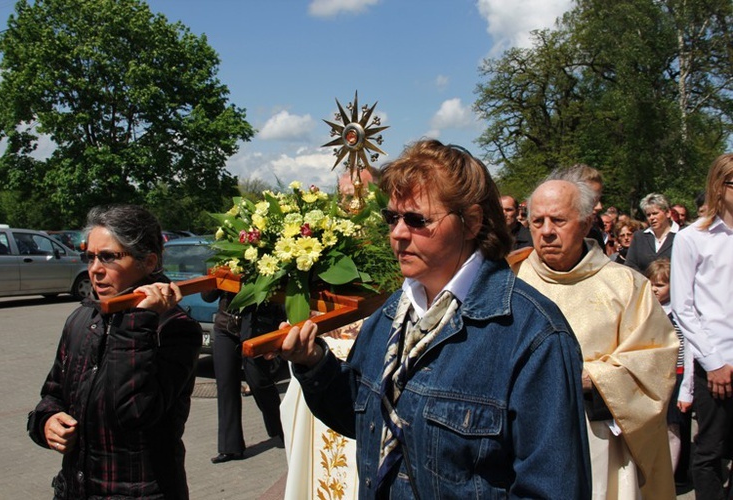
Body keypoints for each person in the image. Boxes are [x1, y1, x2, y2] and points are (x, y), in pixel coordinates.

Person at [273, 140, 591, 498]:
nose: (397, 233)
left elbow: (553, 488)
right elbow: (363, 420)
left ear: (471, 222)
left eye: (417, 220)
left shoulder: (532, 334)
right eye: (392, 217)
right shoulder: (391, 314)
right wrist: (314, 362)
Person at [513, 178, 679, 499]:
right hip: (522, 435)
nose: (546, 231)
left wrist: (589, 378)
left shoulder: (625, 285)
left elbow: (655, 359)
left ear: (587, 222)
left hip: (597, 438)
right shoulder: (510, 279)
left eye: (558, 220)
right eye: (537, 221)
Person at [27, 204, 203, 499]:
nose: (94, 269)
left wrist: (137, 320)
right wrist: (46, 422)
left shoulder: (174, 328)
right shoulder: (82, 319)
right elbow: (53, 393)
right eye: (91, 257)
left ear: (148, 262)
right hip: (76, 489)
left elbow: (134, 413)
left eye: (109, 257)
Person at [671, 153, 733, 499]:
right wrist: (714, 362)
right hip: (715, 362)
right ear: (718, 186)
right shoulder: (694, 237)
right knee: (709, 450)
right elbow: (683, 307)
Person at [201, 290, 285, 463]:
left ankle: (284, 429)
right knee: (226, 384)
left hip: (256, 325)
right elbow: (207, 296)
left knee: (258, 381)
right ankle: (230, 448)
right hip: (226, 325)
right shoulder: (225, 264)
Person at [645, 258, 693, 478]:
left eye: (661, 285)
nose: (654, 288)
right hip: (651, 376)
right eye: (652, 283)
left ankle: (671, 476)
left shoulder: (680, 314)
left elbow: (686, 349)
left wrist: (686, 387)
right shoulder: (645, 309)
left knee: (673, 428)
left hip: (676, 376)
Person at [625, 192, 679, 273]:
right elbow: (630, 265)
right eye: (648, 215)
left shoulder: (681, 235)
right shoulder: (639, 237)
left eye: (655, 213)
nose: (652, 218)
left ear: (668, 213)